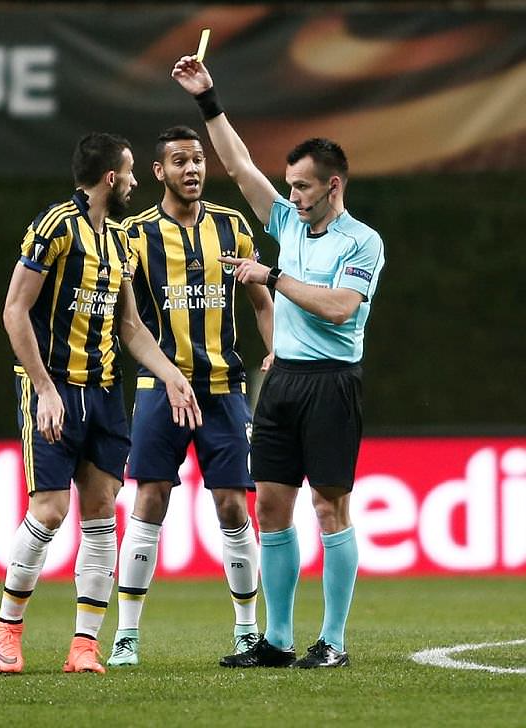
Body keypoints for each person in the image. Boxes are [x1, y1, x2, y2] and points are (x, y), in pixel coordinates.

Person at [171, 56, 385, 668]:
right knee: (270, 505)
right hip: (283, 379)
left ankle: (334, 640)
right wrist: (207, 98)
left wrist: (272, 276)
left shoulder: (361, 241)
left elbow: (340, 309)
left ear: (333, 186)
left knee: (329, 507)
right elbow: (239, 166)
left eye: (302, 187)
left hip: (332, 383)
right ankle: (279, 640)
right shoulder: (289, 223)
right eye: (289, 185)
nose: (291, 196)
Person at [0, 132, 200, 675]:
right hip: (54, 388)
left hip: (105, 392)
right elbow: (15, 310)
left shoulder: (120, 241)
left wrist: (171, 375)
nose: (134, 181)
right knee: (50, 510)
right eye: (129, 173)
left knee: (103, 512)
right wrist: (44, 389)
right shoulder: (56, 226)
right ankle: (8, 630)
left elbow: (130, 326)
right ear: (111, 177)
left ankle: (84, 645)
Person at [108, 125, 274, 667]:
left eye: (198, 159)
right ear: (159, 171)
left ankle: (247, 630)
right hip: (161, 387)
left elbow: (261, 301)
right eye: (180, 161)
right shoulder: (134, 234)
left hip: (224, 388)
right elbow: (125, 319)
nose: (193, 169)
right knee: (150, 498)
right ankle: (126, 635)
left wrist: (276, 351)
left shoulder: (232, 226)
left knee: (232, 504)